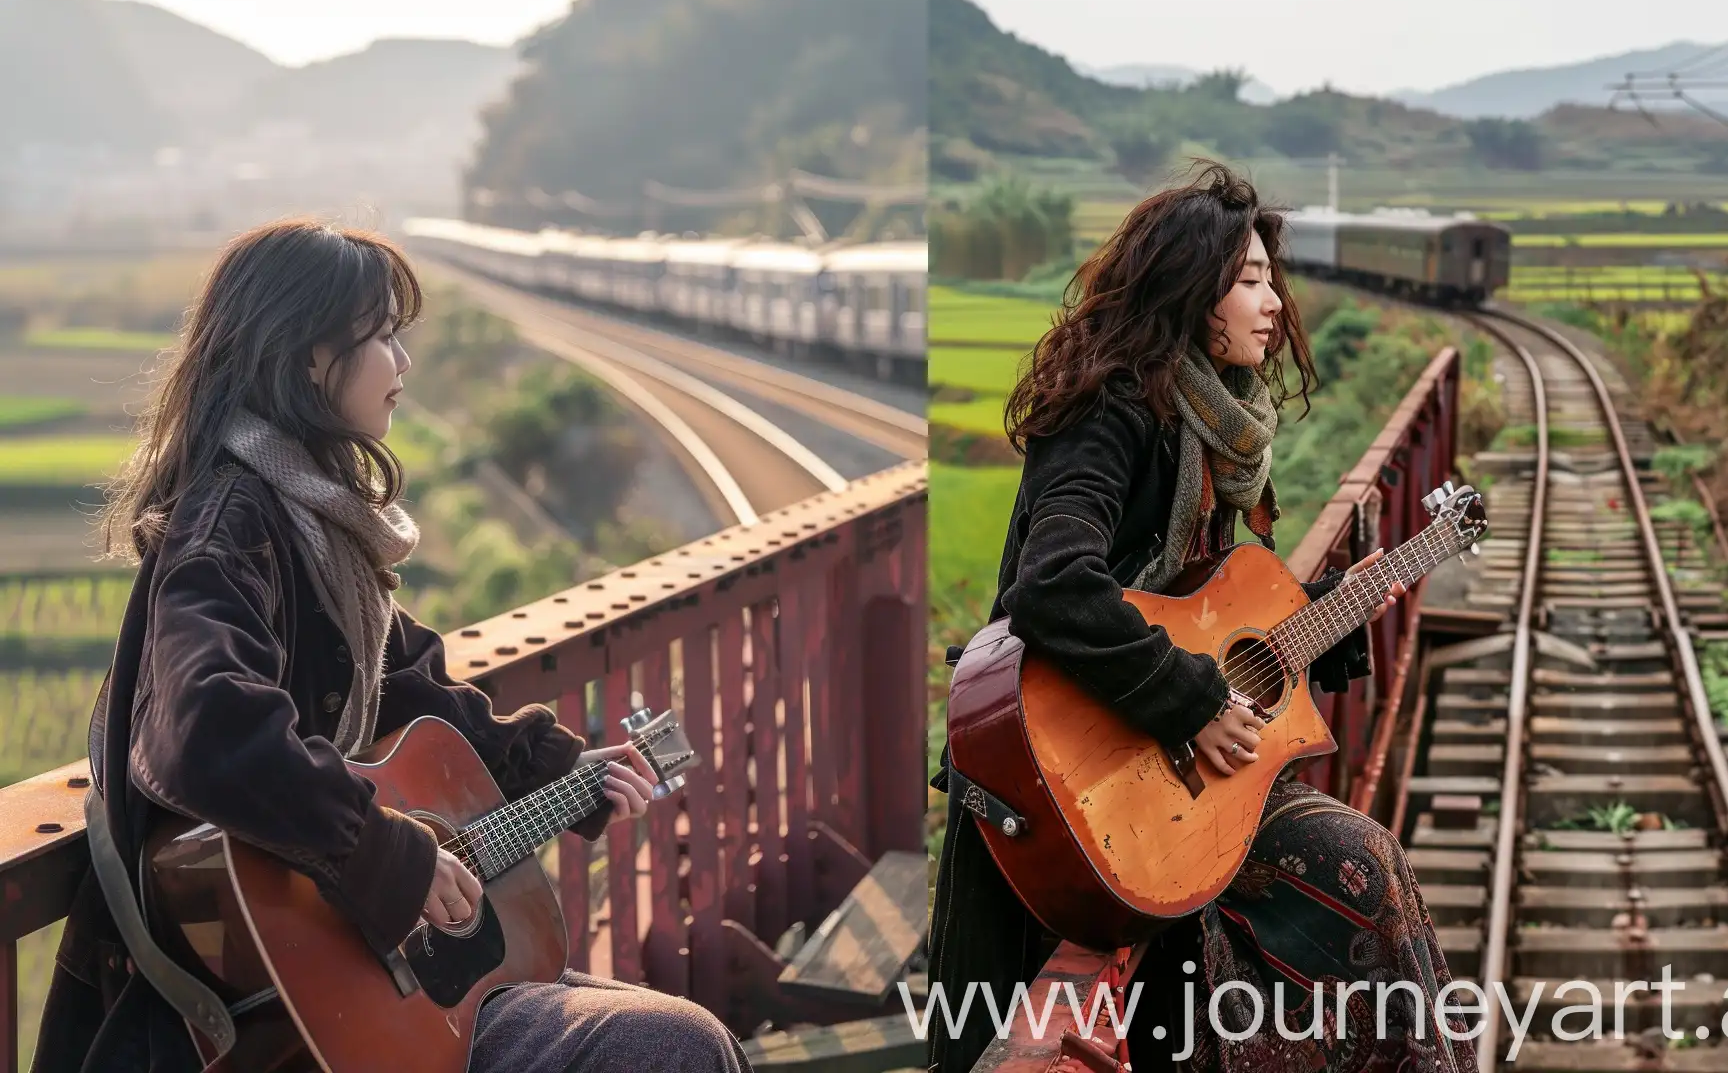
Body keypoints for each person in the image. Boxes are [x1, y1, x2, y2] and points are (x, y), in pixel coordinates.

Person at [33, 221, 749, 1073]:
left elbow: (417, 692)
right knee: (676, 1047)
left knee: (695, 1039)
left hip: (360, 983)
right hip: (265, 1019)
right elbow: (206, 729)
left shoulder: (314, 525)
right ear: (306, 356)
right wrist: (385, 857)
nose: (402, 363)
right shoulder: (231, 526)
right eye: (379, 336)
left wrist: (567, 773)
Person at [925, 167, 1472, 1073]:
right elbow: (1053, 581)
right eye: (1249, 279)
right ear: (1188, 289)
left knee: (1366, 865)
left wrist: (1326, 625)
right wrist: (1191, 704)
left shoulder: (1222, 428)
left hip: (1172, 777)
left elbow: (1207, 611)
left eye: (1271, 278)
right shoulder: (1111, 408)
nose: (1273, 303)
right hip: (1070, 771)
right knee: (1360, 869)